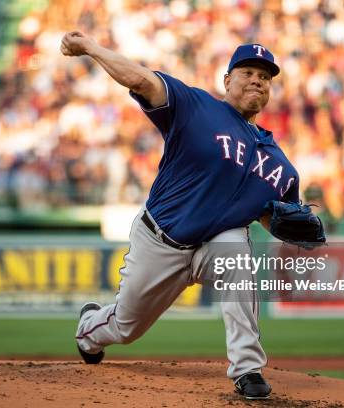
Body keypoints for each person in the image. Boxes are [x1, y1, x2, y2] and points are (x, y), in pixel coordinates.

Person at [62, 31, 301, 400]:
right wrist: (91, 48)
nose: (257, 79)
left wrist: (300, 230)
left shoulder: (280, 165)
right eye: (247, 72)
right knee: (126, 327)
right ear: (227, 80)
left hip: (214, 245)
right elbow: (141, 79)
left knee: (237, 250)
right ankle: (89, 328)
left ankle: (247, 369)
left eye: (265, 76)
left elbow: (277, 218)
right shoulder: (195, 106)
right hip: (160, 240)